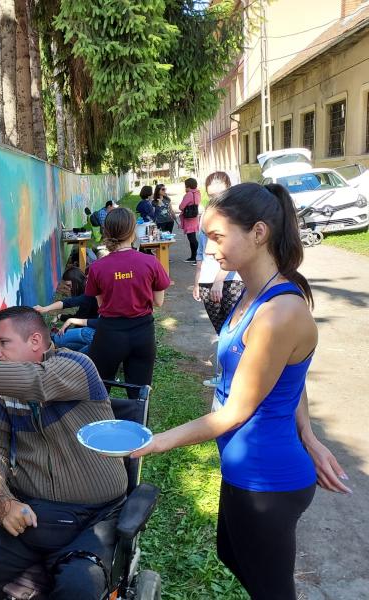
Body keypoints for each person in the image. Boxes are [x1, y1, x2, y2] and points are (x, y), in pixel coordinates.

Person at [132, 183, 351, 600]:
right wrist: (308, 435)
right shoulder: (251, 293)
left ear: (258, 232)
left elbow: (235, 412)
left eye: (218, 237)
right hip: (244, 466)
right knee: (229, 553)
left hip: (267, 477)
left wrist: (156, 442)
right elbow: (290, 376)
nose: (209, 248)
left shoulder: (279, 311)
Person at [0, 306, 128, 600]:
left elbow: (37, 382)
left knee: (79, 586)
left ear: (35, 341)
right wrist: (3, 500)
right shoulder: (5, 393)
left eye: (3, 342)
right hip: (34, 513)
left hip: (96, 516)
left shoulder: (77, 365)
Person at [86, 208, 170, 398]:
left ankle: (102, 417)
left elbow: (101, 305)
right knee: (139, 394)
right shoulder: (151, 262)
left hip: (109, 334)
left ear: (107, 232)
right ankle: (137, 417)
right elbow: (158, 302)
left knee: (99, 389)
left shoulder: (97, 267)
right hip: (143, 333)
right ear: (132, 232)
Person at [193, 172, 243, 387]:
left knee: (235, 332)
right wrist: (198, 280)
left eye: (220, 194)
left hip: (230, 281)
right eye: (212, 195)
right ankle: (226, 377)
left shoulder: (237, 216)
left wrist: (219, 280)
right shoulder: (206, 215)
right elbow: (202, 251)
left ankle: (237, 379)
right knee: (222, 332)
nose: (216, 199)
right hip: (207, 280)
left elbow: (236, 251)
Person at [179, 177, 201, 264]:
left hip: (189, 219)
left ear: (188, 186)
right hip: (194, 217)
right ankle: (193, 256)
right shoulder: (197, 193)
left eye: (186, 186)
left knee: (192, 239)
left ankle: (198, 258)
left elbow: (181, 207)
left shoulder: (188, 194)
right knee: (192, 238)